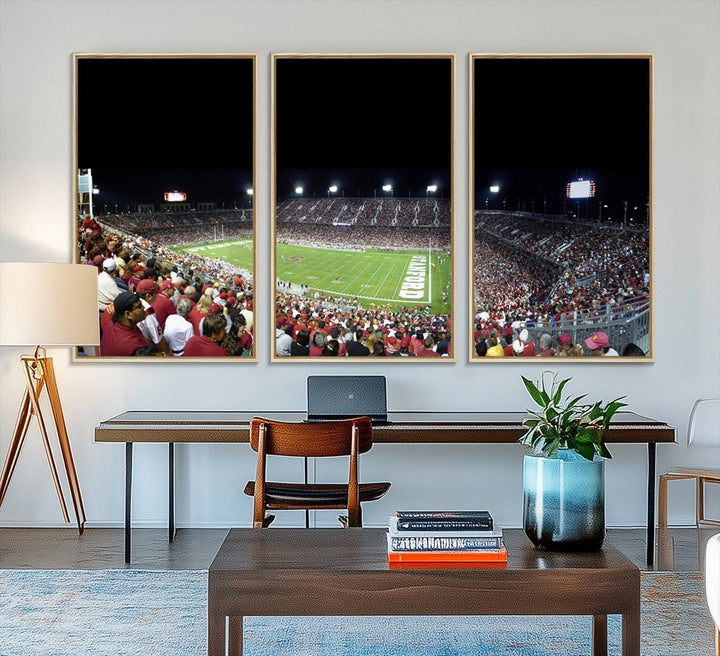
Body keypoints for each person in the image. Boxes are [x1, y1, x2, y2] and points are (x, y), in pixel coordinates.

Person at [99, 291, 150, 356]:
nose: (143, 308)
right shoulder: (133, 345)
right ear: (128, 314)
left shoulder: (113, 323)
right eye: (139, 306)